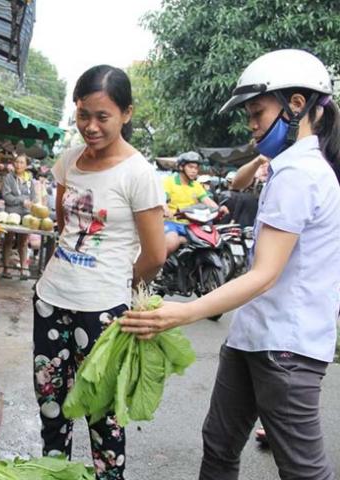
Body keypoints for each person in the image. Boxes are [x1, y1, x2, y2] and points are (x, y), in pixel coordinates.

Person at [121, 49, 340, 480]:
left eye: (257, 112)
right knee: (219, 444)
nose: (251, 124)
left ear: (297, 105)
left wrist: (182, 312)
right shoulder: (285, 166)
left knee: (302, 470)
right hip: (253, 337)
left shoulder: (301, 174)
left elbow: (264, 274)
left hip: (285, 349)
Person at [33, 65, 166, 479]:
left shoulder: (139, 173)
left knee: (103, 414)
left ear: (126, 113)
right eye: (82, 115)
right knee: (51, 406)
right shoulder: (68, 161)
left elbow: (155, 254)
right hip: (51, 299)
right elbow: (62, 222)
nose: (90, 126)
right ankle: (52, 474)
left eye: (102, 116)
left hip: (104, 309)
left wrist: (122, 291)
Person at [163, 151, 229, 256]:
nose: (194, 171)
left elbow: (206, 200)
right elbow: (162, 200)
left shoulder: (196, 185)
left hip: (192, 224)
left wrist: (219, 208)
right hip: (172, 223)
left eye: (196, 168)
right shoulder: (169, 182)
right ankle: (159, 269)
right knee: (172, 242)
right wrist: (165, 209)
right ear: (181, 167)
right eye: (190, 167)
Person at [1, 154, 35, 279]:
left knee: (23, 242)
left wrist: (32, 204)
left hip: (26, 214)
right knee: (8, 240)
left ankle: (23, 269)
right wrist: (21, 200)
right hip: (11, 213)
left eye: (21, 163)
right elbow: (6, 196)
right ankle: (5, 268)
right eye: (17, 162)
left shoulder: (29, 179)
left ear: (26, 166)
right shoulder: (8, 178)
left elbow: (33, 197)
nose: (18, 165)